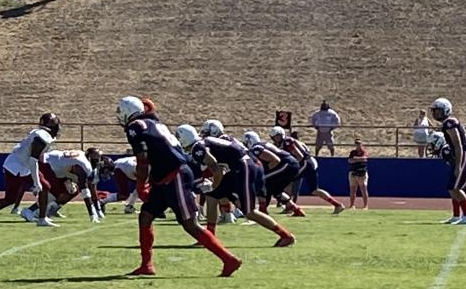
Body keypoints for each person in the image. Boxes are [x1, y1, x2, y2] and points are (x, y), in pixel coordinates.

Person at [118, 97, 241, 277]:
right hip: (164, 177)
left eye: (120, 112)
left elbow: (143, 160)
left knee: (190, 224)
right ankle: (146, 265)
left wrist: (140, 184)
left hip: (174, 175)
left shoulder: (135, 127)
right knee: (145, 217)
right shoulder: (152, 122)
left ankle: (229, 259)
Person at [189, 121, 296, 249]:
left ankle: (286, 235)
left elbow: (217, 169)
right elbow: (221, 168)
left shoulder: (205, 145)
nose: (203, 135)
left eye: (205, 132)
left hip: (244, 167)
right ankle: (209, 237)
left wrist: (213, 185)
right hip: (238, 168)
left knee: (249, 212)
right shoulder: (219, 141)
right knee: (212, 196)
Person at [0, 114, 61, 227]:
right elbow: (33, 160)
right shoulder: (42, 136)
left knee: (10, 199)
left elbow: (38, 158)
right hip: (19, 166)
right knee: (43, 187)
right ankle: (42, 219)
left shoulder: (40, 134)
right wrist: (37, 182)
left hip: (15, 164)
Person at [268, 125, 344, 213]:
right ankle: (337, 205)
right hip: (307, 163)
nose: (277, 138)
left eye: (278, 136)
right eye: (275, 137)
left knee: (287, 182)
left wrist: (291, 168)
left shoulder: (287, 142)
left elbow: (300, 156)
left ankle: (289, 207)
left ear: (282, 135)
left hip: (305, 163)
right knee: (314, 190)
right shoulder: (281, 144)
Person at [430, 97, 466, 225]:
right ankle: (458, 215)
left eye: (438, 111)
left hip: (464, 156)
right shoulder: (449, 123)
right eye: (434, 111)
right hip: (463, 155)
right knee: (456, 188)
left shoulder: (449, 123)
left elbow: (458, 145)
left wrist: (458, 165)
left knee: (455, 188)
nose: (435, 114)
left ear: (445, 110)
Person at [40, 146, 105, 222]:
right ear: (90, 158)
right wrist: (92, 214)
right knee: (55, 191)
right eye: (97, 159)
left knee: (71, 190)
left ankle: (47, 211)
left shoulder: (82, 155)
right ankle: (32, 211)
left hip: (55, 164)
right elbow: (84, 189)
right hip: (47, 163)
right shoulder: (84, 164)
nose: (99, 161)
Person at [347, 138, 369, 209]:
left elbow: (364, 159)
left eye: (359, 144)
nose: (358, 145)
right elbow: (350, 160)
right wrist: (358, 159)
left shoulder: (364, 151)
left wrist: (355, 159)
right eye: (356, 144)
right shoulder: (353, 152)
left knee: (363, 189)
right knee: (353, 190)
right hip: (353, 172)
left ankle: (365, 206)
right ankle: (352, 205)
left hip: (362, 173)